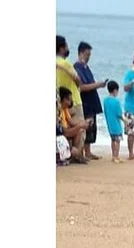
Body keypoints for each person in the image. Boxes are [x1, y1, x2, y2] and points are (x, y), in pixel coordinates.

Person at [75, 41, 109, 161]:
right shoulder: (77, 68)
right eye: (86, 54)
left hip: (91, 101)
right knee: (85, 126)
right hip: (84, 101)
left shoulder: (86, 68)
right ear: (80, 53)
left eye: (89, 55)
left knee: (91, 127)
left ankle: (88, 151)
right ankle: (82, 152)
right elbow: (81, 87)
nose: (88, 57)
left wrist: (98, 85)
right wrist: (97, 85)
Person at [56, 35, 87, 164]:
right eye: (66, 46)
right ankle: (77, 154)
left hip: (59, 98)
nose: (68, 48)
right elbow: (77, 79)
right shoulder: (64, 63)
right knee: (81, 127)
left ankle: (72, 152)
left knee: (64, 124)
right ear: (62, 48)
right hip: (72, 97)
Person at [58, 87, 89, 160]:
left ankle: (76, 154)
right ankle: (76, 153)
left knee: (80, 130)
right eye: (69, 99)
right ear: (64, 99)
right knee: (79, 129)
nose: (71, 101)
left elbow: (71, 121)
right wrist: (80, 125)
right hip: (62, 132)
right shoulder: (59, 111)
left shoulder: (65, 109)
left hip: (66, 130)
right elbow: (64, 131)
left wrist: (84, 122)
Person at [103, 81, 130, 163]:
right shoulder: (116, 101)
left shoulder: (105, 100)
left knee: (113, 140)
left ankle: (113, 156)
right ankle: (116, 156)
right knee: (117, 141)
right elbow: (119, 114)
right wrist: (126, 121)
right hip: (116, 125)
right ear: (115, 90)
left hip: (110, 124)